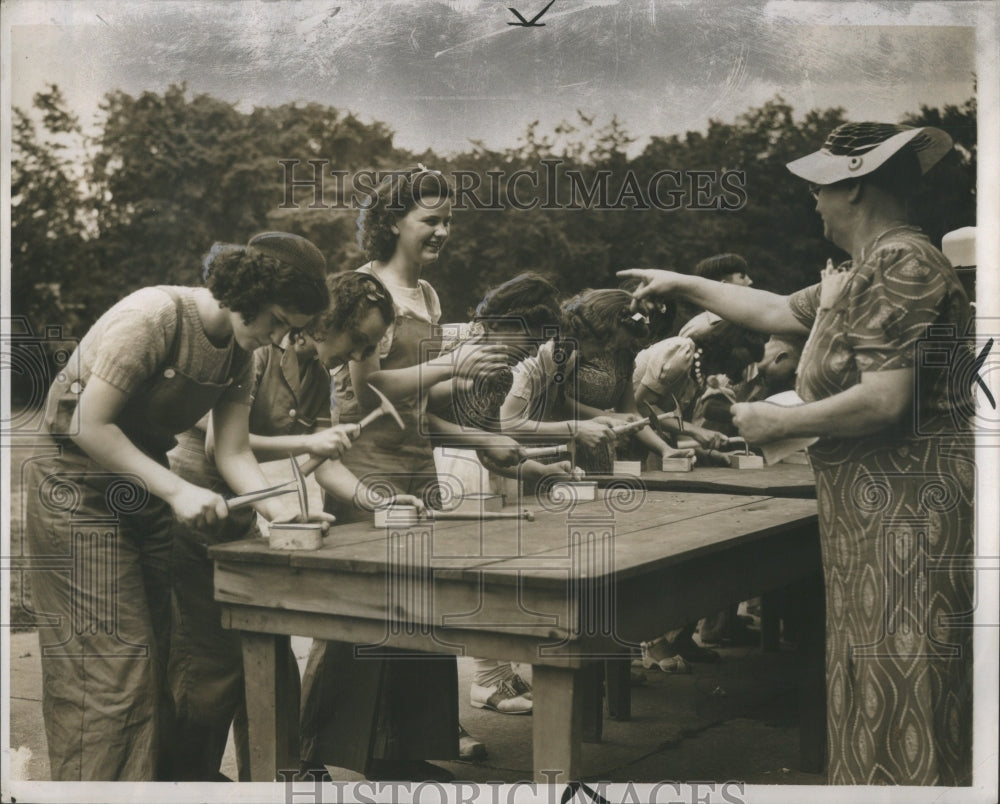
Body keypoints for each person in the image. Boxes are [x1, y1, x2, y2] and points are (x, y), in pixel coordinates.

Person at [621, 122, 973, 785]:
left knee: (911, 686)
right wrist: (682, 283)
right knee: (882, 685)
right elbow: (779, 308)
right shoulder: (872, 267)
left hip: (908, 522)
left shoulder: (902, 266)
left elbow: (885, 400)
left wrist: (771, 422)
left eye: (819, 188)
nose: (813, 202)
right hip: (878, 519)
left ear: (856, 187)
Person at [23, 231, 329, 781]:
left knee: (158, 665)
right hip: (76, 493)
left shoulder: (244, 354)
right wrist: (177, 490)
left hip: (141, 494)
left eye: (292, 331)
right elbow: (87, 424)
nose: (279, 339)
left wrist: (283, 512)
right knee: (111, 671)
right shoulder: (152, 318)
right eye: (278, 322)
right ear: (248, 289)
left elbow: (232, 452)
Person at [166, 270, 416, 781]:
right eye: (360, 340)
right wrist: (304, 447)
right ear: (325, 324)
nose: (362, 353)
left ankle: (277, 769)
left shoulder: (320, 372)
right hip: (195, 507)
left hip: (249, 514)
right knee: (210, 661)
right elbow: (222, 441)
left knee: (271, 652)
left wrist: (377, 498)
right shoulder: (256, 350)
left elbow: (326, 460)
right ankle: (191, 778)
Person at [301, 166, 509, 780]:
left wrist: (481, 435)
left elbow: (416, 407)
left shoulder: (430, 296)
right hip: (366, 469)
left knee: (421, 610)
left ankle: (399, 754)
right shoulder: (366, 292)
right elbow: (368, 391)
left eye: (449, 220)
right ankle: (310, 752)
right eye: (431, 220)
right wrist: (450, 367)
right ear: (393, 222)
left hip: (416, 466)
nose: (444, 230)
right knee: (357, 616)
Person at [430, 271, 571, 715]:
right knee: (466, 588)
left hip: (477, 473)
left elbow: (492, 443)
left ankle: (494, 675)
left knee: (492, 578)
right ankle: (485, 681)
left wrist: (540, 472)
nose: (527, 356)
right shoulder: (459, 351)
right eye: (525, 345)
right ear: (502, 324)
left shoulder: (496, 364)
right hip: (444, 473)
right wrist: (482, 442)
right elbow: (411, 413)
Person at [501, 288, 690, 475]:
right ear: (595, 330)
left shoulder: (568, 355)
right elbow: (506, 424)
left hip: (528, 458)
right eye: (607, 344)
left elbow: (548, 410)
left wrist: (596, 420)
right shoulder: (543, 350)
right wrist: (575, 429)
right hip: (504, 457)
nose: (605, 352)